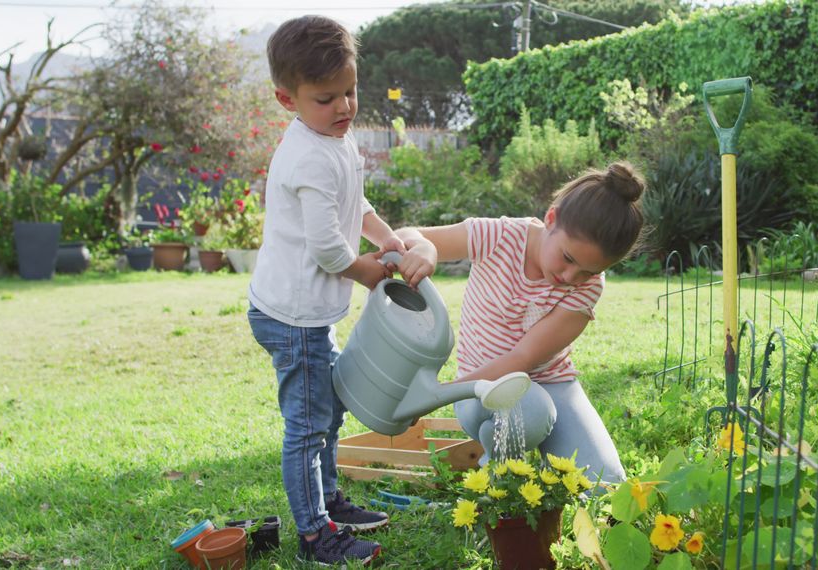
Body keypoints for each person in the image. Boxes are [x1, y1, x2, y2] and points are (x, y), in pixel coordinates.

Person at [247, 14, 408, 565]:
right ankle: (316, 534)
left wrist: (384, 235)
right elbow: (326, 250)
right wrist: (366, 270)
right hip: (291, 316)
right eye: (326, 98)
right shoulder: (308, 156)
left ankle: (331, 500)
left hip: (308, 311)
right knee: (308, 426)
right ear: (287, 100)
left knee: (328, 411)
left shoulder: (336, 139)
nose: (344, 107)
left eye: (350, 92)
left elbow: (352, 204)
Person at [394, 162, 647, 486]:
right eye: (569, 259)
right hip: (479, 388)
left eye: (587, 270)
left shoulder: (588, 287)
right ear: (551, 219)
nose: (571, 278)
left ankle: (524, 454)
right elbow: (404, 237)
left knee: (605, 484)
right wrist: (427, 246)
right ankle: (498, 479)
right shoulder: (500, 236)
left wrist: (433, 396)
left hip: (551, 383)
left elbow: (523, 359)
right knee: (531, 411)